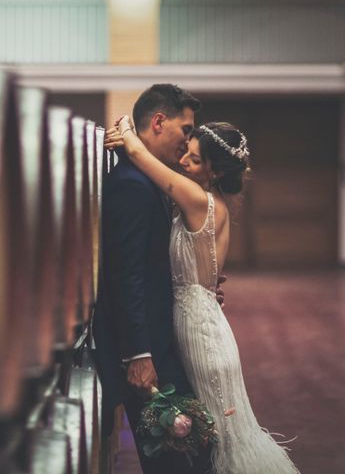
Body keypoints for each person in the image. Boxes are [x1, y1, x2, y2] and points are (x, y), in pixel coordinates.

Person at [103, 113, 300, 473]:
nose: (183, 162)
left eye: (194, 159)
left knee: (221, 438)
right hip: (201, 318)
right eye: (186, 153)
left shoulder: (197, 198)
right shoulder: (206, 200)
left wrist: (127, 129)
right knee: (220, 439)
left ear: (215, 172)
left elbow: (140, 156)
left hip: (200, 332)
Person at [93, 84, 214, 474]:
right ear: (159, 122)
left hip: (163, 338)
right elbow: (124, 274)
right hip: (148, 351)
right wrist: (138, 354)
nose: (188, 141)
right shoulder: (131, 185)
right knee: (175, 459)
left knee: (188, 452)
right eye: (186, 129)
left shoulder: (149, 178)